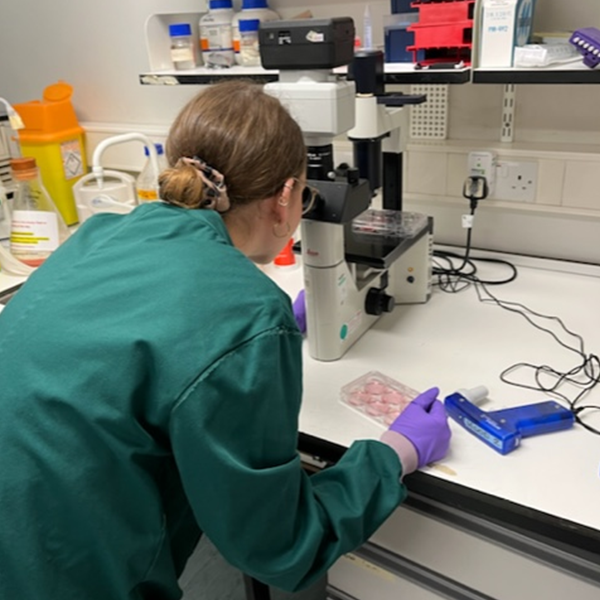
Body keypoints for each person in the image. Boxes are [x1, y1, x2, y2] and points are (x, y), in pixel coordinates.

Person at [0, 80, 450, 599]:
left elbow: (139, 340)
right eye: (304, 195)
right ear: (284, 200)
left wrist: (247, 340)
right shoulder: (245, 314)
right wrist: (394, 455)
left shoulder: (100, 235)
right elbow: (280, 545)